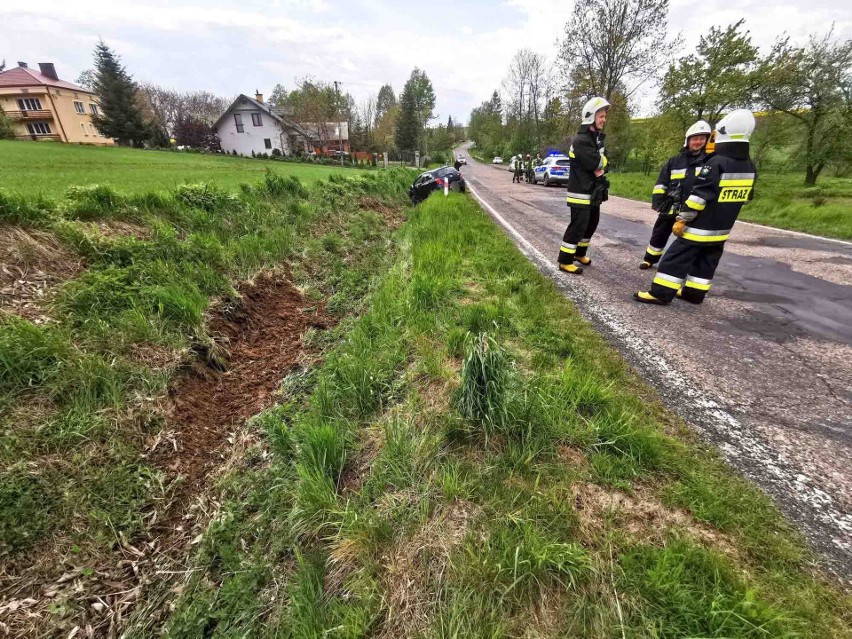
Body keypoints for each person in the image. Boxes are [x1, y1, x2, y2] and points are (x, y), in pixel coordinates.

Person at [634, 109, 757, 305]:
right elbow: (746, 198)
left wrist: (683, 218)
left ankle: (660, 293)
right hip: (722, 228)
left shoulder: (715, 163)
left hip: (700, 227)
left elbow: (700, 197)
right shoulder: (749, 166)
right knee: (707, 261)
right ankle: (694, 293)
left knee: (675, 258)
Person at [640, 120, 712, 269]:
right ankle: (650, 259)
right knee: (659, 233)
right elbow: (662, 182)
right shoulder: (675, 161)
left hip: (693, 210)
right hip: (671, 206)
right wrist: (658, 201)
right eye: (695, 138)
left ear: (706, 140)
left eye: (701, 138)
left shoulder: (710, 162)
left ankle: (685, 267)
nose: (698, 142)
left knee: (689, 240)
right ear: (688, 140)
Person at [557, 97, 611, 274]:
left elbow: (603, 164)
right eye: (601, 116)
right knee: (578, 225)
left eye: (604, 116)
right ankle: (565, 260)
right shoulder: (581, 140)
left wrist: (602, 164)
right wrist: (601, 163)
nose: (603, 119)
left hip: (592, 191)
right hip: (580, 191)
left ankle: (579, 254)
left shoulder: (594, 139)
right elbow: (595, 163)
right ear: (590, 117)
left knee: (592, 223)